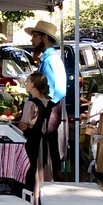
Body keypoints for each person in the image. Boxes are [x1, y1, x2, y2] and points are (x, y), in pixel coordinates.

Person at [26, 20, 67, 179]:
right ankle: (50, 179)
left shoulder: (50, 60)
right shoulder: (49, 59)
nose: (32, 40)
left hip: (50, 107)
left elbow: (57, 89)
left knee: (48, 145)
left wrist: (45, 106)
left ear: (44, 38)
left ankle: (49, 180)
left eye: (35, 36)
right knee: (49, 145)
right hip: (49, 106)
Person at [18, 71, 57, 199]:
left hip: (32, 141)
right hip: (42, 140)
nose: (26, 83)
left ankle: (29, 197)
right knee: (40, 168)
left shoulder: (31, 103)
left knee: (31, 170)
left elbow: (23, 125)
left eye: (28, 81)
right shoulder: (46, 101)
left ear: (33, 84)